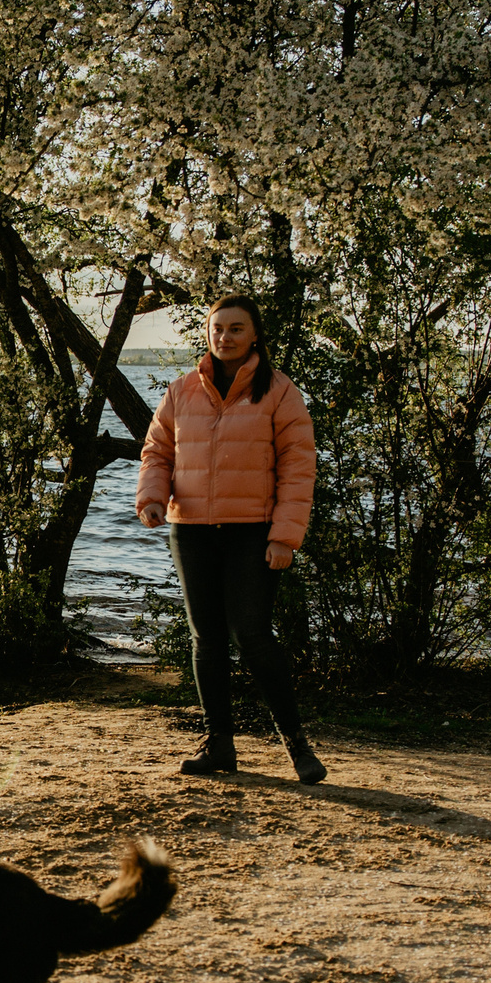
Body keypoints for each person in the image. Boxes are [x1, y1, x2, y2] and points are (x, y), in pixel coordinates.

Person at [133, 294, 325, 785]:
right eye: (217, 329)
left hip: (252, 532)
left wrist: (284, 537)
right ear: (207, 333)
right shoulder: (180, 392)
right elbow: (156, 452)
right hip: (191, 529)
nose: (225, 337)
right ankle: (219, 745)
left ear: (254, 334)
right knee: (207, 639)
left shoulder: (280, 392)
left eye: (236, 329)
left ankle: (297, 746)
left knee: (254, 635)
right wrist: (152, 499)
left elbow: (299, 469)